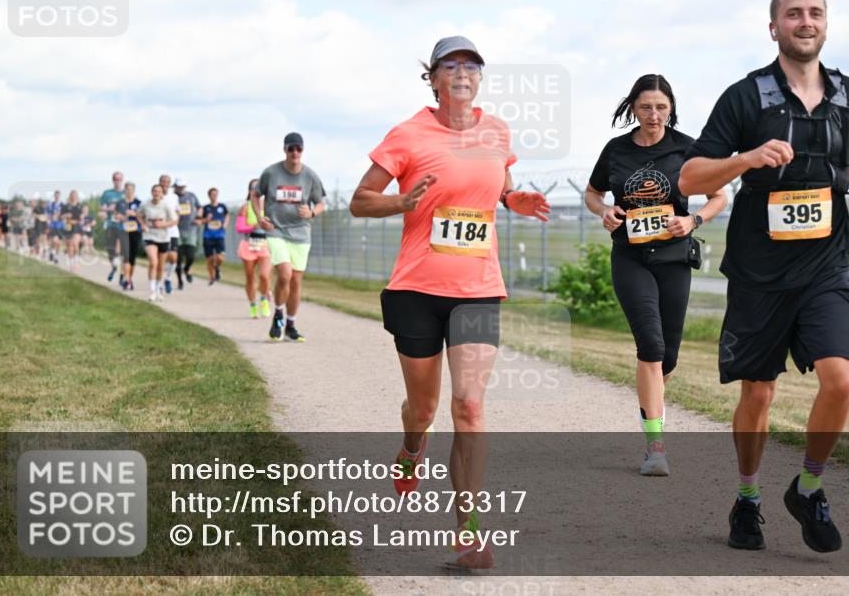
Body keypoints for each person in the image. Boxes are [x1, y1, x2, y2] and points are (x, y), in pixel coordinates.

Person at [679, 0, 849, 554]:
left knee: (840, 379)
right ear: (774, 28)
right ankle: (747, 498)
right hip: (760, 273)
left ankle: (809, 488)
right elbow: (690, 177)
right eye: (793, 13)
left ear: (826, 24)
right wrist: (746, 158)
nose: (805, 21)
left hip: (826, 267)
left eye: (815, 13)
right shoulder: (745, 97)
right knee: (758, 396)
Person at [349, 36, 550, 570]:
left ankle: (470, 531)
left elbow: (502, 187)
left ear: (479, 78)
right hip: (416, 289)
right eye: (451, 65)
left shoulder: (496, 130)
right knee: (424, 408)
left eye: (472, 65)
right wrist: (401, 200)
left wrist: (516, 199)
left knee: (470, 405)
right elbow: (359, 200)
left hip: (478, 288)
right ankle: (413, 446)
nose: (463, 72)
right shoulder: (408, 134)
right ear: (434, 78)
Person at [586, 74, 727, 476]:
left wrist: (693, 219)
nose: (653, 114)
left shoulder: (687, 148)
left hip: (674, 259)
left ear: (671, 108)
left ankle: (654, 402)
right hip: (630, 258)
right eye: (646, 106)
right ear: (633, 107)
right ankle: (655, 445)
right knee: (650, 344)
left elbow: (719, 196)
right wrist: (604, 212)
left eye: (661, 107)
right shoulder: (616, 150)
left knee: (667, 355)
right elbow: (593, 193)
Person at [257, 132, 327, 342]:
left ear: (302, 150)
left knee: (295, 281)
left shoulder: (310, 176)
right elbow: (254, 194)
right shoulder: (271, 173)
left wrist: (312, 212)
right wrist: (260, 217)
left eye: (298, 149)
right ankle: (278, 314)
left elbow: (322, 203)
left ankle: (291, 325)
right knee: (285, 274)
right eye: (291, 149)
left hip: (301, 232)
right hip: (276, 230)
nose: (295, 152)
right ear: (285, 150)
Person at [236, 179, 273, 319]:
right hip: (248, 245)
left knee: (264, 275)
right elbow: (239, 227)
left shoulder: (269, 206)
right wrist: (254, 226)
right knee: (250, 277)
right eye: (253, 188)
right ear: (250, 191)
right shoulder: (245, 207)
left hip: (264, 244)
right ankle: (252, 305)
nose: (256, 190)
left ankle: (264, 299)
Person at [139, 184, 178, 302]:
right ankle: (151, 291)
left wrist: (162, 225)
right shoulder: (145, 204)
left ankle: (157, 289)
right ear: (152, 192)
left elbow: (174, 221)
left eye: (159, 192)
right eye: (155, 191)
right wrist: (143, 224)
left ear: (162, 194)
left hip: (163, 237)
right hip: (149, 235)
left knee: (160, 266)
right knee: (153, 262)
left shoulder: (166, 206)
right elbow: (139, 215)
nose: (157, 193)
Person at [173, 179, 202, 290]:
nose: (181, 189)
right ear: (175, 187)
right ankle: (180, 281)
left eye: (182, 187)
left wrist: (198, 217)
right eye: (179, 187)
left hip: (190, 229)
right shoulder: (173, 198)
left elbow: (199, 208)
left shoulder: (191, 196)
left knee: (190, 256)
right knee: (178, 258)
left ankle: (187, 269)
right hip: (176, 230)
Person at [115, 182, 142, 291]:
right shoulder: (120, 203)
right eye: (127, 189)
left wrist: (134, 214)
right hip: (124, 231)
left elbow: (143, 216)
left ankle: (129, 278)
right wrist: (122, 216)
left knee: (132, 258)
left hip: (136, 231)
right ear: (124, 190)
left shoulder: (139, 203)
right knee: (126, 256)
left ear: (134, 190)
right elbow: (116, 215)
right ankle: (126, 279)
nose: (129, 191)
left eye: (131, 189)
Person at [200, 188, 230, 285]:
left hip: (219, 235)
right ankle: (211, 277)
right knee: (209, 259)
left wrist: (224, 225)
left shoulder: (222, 207)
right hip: (208, 236)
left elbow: (227, 216)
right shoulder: (205, 208)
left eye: (215, 194)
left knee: (220, 257)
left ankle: (217, 268)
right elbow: (200, 221)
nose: (214, 196)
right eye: (212, 194)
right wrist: (206, 220)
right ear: (209, 195)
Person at [100, 172, 125, 283]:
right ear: (113, 180)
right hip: (110, 224)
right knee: (111, 250)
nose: (117, 181)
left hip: (123, 225)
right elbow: (102, 208)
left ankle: (122, 274)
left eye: (119, 179)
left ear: (122, 180)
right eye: (115, 179)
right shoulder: (107, 193)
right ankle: (114, 268)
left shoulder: (126, 193)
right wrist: (106, 211)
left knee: (122, 250)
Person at [158, 174, 180, 295]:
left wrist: (177, 220)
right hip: (159, 232)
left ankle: (168, 278)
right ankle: (159, 283)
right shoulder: (156, 196)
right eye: (163, 182)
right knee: (161, 259)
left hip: (172, 230)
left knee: (173, 257)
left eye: (167, 182)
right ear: (159, 183)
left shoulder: (174, 197)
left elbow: (178, 211)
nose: (165, 184)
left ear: (169, 183)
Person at [60, 190, 83, 269]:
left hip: (77, 227)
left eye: (74, 195)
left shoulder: (80, 206)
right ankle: (70, 262)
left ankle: (76, 261)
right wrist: (66, 215)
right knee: (69, 245)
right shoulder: (66, 206)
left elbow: (82, 218)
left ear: (77, 196)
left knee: (75, 243)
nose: (73, 197)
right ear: (70, 196)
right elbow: (61, 217)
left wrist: (76, 220)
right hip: (68, 227)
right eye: (72, 195)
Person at [47, 190, 64, 263]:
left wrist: (60, 216)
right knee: (54, 241)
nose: (57, 197)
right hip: (53, 225)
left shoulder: (63, 205)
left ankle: (55, 255)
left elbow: (65, 214)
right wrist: (50, 218)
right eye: (56, 195)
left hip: (60, 226)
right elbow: (47, 214)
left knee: (58, 243)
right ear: (54, 196)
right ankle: (52, 252)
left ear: (60, 196)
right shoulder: (51, 204)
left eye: (58, 195)